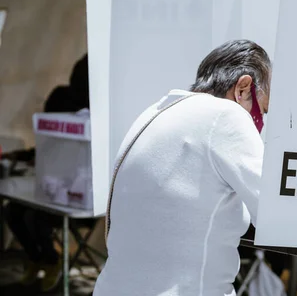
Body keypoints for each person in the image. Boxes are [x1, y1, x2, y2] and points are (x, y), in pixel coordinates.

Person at [93, 40, 271, 296]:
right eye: (262, 110)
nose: (260, 121)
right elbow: (273, 212)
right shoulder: (227, 116)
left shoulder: (154, 111)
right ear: (243, 88)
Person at [4, 54, 89, 292]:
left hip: (80, 190)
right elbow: (49, 142)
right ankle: (37, 258)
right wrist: (27, 155)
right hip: (54, 178)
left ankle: (51, 261)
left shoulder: (98, 109)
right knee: (13, 211)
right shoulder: (62, 97)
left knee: (35, 217)